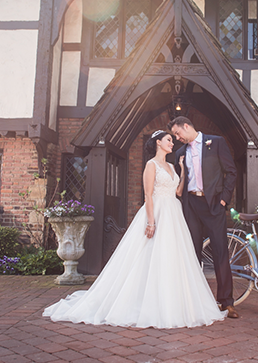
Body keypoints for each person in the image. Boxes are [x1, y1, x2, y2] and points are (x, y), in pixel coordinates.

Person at [43, 130, 226, 328]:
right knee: (148, 255)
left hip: (173, 213)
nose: (172, 144)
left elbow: (179, 192)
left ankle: (169, 300)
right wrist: (150, 222)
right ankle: (144, 301)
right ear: (158, 142)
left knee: (171, 257)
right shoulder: (151, 165)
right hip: (157, 212)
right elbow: (148, 195)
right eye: (168, 140)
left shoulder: (172, 166)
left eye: (172, 140)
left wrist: (182, 170)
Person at [167, 116, 239, 319]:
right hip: (191, 206)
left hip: (214, 205)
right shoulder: (180, 153)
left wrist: (224, 199)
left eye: (178, 133)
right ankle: (193, 302)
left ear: (187, 126)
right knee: (192, 253)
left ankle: (226, 303)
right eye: (174, 135)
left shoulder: (216, 142)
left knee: (220, 253)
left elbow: (231, 172)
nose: (177, 138)